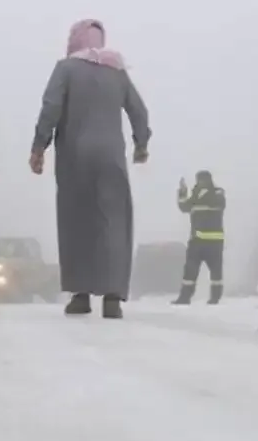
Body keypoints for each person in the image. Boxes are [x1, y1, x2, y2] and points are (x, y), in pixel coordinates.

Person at [30, 18, 151, 320]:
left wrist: (38, 147)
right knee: (113, 222)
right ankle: (112, 298)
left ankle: (80, 295)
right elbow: (138, 110)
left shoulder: (66, 68)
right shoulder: (117, 72)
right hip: (111, 157)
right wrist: (141, 143)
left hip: (75, 156)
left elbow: (51, 107)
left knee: (76, 221)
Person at [172, 170, 226, 305]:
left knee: (216, 273)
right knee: (189, 271)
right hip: (196, 241)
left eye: (202, 180)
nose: (199, 183)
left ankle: (215, 298)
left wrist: (199, 196)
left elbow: (218, 203)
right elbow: (184, 207)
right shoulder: (196, 196)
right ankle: (184, 298)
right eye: (198, 180)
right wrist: (183, 192)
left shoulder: (217, 193)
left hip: (213, 242)